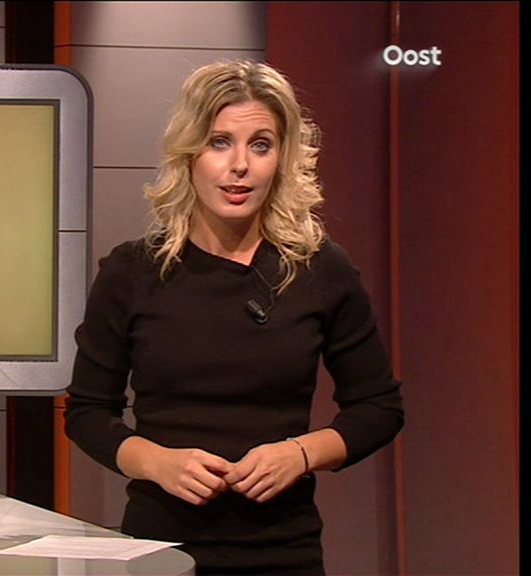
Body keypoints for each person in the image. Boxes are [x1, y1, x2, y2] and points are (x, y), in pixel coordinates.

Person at [64, 59, 404, 575]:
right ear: (189, 153)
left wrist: (300, 454)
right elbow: (88, 412)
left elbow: (378, 408)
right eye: (219, 142)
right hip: (163, 551)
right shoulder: (132, 272)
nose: (239, 165)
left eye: (260, 145)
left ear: (282, 159)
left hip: (283, 553)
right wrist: (157, 462)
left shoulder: (320, 270)